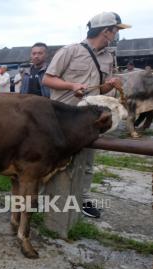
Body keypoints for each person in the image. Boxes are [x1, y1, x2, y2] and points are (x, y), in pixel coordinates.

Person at [42, 12, 130, 218]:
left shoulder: (109, 56)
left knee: (88, 161)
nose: (116, 34)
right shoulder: (70, 51)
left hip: (90, 119)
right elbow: (48, 79)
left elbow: (102, 92)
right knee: (52, 158)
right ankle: (41, 196)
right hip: (63, 117)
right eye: (115, 30)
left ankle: (81, 199)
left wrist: (111, 85)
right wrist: (71, 85)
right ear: (105, 30)